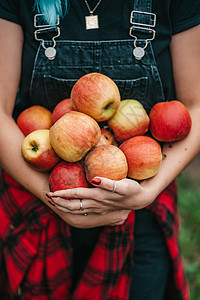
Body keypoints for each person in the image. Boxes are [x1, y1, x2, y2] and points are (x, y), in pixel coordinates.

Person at [0, 0, 200, 299]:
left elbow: (196, 104)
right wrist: (51, 192)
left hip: (142, 201)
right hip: (40, 195)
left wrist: (147, 192)